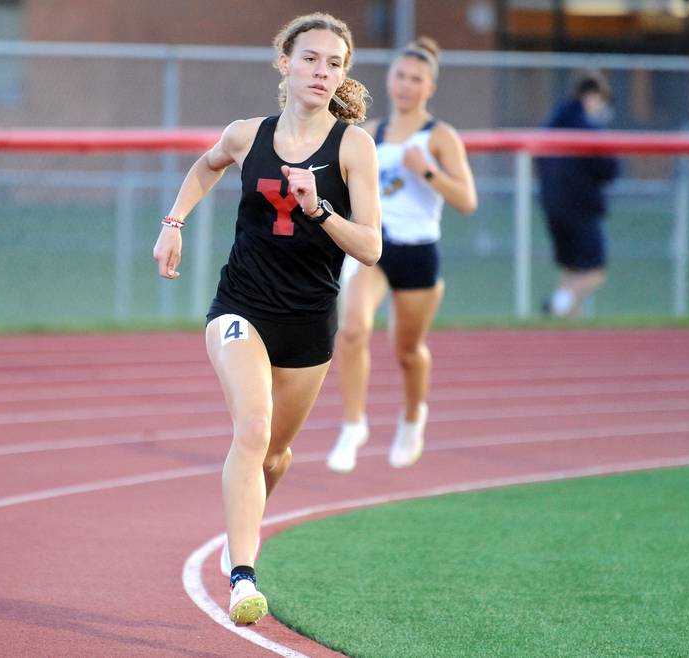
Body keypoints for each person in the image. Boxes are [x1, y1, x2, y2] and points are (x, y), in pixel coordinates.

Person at [152, 13, 381, 625]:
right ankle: (243, 576)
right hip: (241, 308)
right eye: (310, 58)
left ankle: (239, 533)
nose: (321, 71)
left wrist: (321, 208)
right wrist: (173, 224)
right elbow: (206, 166)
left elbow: (371, 246)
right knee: (252, 430)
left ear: (342, 74)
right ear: (285, 63)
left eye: (334, 63)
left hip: (308, 323)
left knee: (276, 454)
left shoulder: (353, 146)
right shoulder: (246, 134)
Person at [325, 37, 477, 474]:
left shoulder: (440, 137)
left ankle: (413, 418)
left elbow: (467, 201)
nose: (406, 85)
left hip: (418, 251)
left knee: (407, 350)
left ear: (429, 86)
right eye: (400, 76)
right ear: (389, 80)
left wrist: (426, 171)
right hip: (374, 247)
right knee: (352, 331)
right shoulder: (369, 133)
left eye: (416, 79)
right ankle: (353, 424)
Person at [537, 69, 619, 318]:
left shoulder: (551, 124)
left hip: (551, 206)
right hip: (581, 208)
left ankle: (568, 325)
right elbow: (610, 168)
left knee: (571, 268)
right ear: (592, 96)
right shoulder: (587, 129)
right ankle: (558, 306)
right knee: (595, 271)